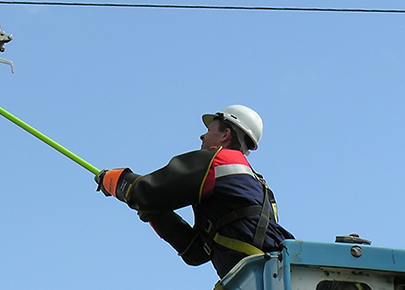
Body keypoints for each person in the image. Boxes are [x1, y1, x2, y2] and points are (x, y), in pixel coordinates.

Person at [96, 105, 294, 277]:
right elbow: (196, 252)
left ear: (225, 135)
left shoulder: (217, 161)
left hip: (260, 277)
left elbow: (146, 192)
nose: (202, 135)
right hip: (273, 274)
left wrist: (113, 179)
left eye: (209, 129)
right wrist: (154, 213)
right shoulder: (259, 187)